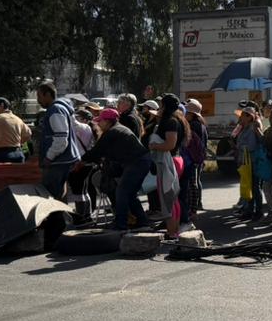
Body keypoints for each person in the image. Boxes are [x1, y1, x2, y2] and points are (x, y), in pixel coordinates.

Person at [72, 109, 150, 232]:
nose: (98, 124)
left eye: (100, 121)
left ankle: (121, 225)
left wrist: (81, 161)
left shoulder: (113, 132)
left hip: (136, 163)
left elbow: (97, 151)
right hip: (139, 162)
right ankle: (142, 222)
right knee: (129, 194)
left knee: (122, 192)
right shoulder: (117, 129)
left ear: (108, 121)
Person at [149, 93, 190, 237]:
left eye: (161, 104)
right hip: (175, 160)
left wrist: (154, 145)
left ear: (164, 106)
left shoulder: (170, 121)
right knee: (173, 198)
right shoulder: (178, 119)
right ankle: (174, 230)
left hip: (169, 161)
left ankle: (172, 231)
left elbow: (170, 144)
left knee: (168, 199)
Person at [36, 82, 83, 200]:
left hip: (56, 163)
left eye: (39, 96)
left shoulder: (55, 110)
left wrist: (49, 157)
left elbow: (62, 139)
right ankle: (62, 218)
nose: (38, 100)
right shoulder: (60, 109)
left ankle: (58, 219)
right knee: (59, 198)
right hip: (61, 162)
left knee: (51, 198)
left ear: (47, 94)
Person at [180, 99, 208, 224]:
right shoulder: (201, 125)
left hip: (192, 158)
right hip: (198, 158)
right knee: (195, 182)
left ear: (192, 114)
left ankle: (193, 209)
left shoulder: (194, 125)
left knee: (192, 184)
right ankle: (196, 206)